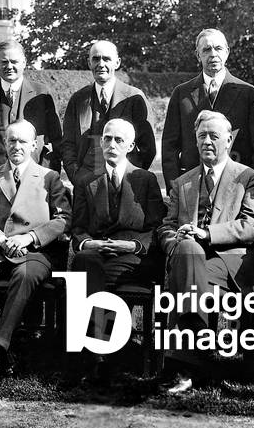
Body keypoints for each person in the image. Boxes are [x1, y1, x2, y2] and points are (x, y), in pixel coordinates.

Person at [156, 110, 254, 393]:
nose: (207, 141)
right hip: (191, 260)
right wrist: (175, 239)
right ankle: (194, 358)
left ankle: (183, 365)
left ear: (228, 140)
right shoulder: (183, 182)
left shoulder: (248, 178)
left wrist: (207, 233)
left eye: (214, 136)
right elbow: (166, 227)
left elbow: (252, 226)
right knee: (187, 250)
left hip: (231, 262)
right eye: (202, 135)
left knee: (186, 269)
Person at [0, 120, 72, 382]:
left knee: (25, 274)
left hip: (35, 253)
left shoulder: (49, 177)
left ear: (34, 145)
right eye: (11, 141)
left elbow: (64, 218)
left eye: (22, 141)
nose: (16, 146)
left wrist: (31, 237)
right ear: (4, 144)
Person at [69, 118, 166, 381]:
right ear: (100, 142)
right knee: (85, 262)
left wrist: (133, 245)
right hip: (97, 253)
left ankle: (97, 353)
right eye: (107, 139)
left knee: (87, 276)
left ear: (131, 146)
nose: (112, 145)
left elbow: (158, 225)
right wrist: (89, 242)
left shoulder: (144, 179)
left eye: (119, 140)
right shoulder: (86, 181)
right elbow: (77, 227)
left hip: (134, 257)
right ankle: (105, 352)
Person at [162, 28, 254, 189]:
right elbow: (169, 147)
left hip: (235, 184)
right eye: (206, 50)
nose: (213, 54)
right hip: (191, 186)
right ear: (198, 55)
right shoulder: (181, 93)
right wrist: (174, 188)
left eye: (218, 48)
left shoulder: (246, 92)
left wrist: (252, 186)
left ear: (227, 52)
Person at [0, 40, 62, 190]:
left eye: (14, 61)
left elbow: (56, 140)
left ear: (24, 62)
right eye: (4, 62)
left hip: (35, 181)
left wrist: (48, 172)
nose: (9, 66)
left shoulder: (42, 94)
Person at [60, 40, 156, 187]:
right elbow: (68, 144)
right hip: (85, 185)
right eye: (96, 59)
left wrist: (133, 177)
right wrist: (76, 176)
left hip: (126, 183)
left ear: (117, 63)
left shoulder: (134, 98)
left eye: (107, 59)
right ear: (89, 63)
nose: (101, 64)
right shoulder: (78, 99)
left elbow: (148, 147)